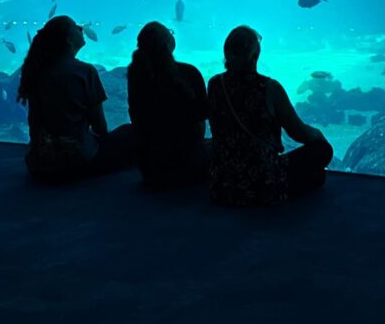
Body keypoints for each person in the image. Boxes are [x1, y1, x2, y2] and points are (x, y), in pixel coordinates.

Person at [207, 25, 333, 206]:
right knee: (322, 151)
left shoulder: (215, 84)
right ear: (255, 56)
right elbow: (298, 133)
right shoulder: (269, 88)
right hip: (262, 183)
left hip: (223, 183)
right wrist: (318, 135)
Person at [17, 15, 134, 181]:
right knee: (130, 132)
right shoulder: (85, 72)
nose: (80, 28)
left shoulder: (37, 71)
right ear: (69, 40)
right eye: (75, 26)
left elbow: (34, 122)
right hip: (79, 159)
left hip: (39, 163)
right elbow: (100, 127)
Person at [127, 21, 210, 188]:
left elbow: (135, 116)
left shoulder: (136, 74)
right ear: (167, 43)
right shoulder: (189, 72)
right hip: (187, 164)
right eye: (170, 33)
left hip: (150, 169)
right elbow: (202, 115)